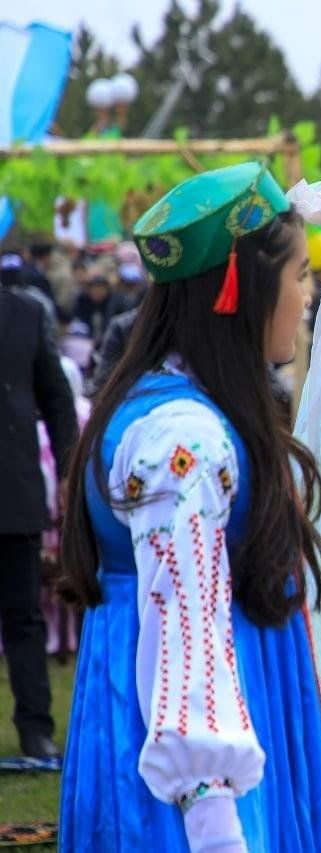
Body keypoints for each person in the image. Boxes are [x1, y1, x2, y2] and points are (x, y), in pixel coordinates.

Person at [58, 163, 321, 850]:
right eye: (299, 274)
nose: (306, 296)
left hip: (186, 723)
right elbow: (183, 626)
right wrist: (214, 819)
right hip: (187, 773)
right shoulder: (184, 437)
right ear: (240, 288)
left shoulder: (176, 406)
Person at [0, 272, 77, 761]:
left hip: (14, 492)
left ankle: (36, 731)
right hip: (18, 491)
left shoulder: (26, 314)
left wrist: (70, 470)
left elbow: (58, 399)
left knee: (25, 618)